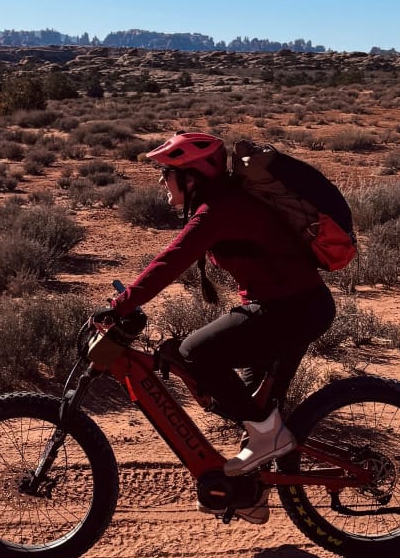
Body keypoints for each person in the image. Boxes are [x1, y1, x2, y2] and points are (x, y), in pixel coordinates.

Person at [94, 132, 336, 523]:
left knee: (196, 353)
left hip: (292, 309)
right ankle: (249, 495)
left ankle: (268, 438)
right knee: (250, 406)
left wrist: (120, 305)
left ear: (191, 177)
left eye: (167, 174)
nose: (161, 183)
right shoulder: (221, 203)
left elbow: (170, 261)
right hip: (288, 306)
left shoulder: (218, 209)